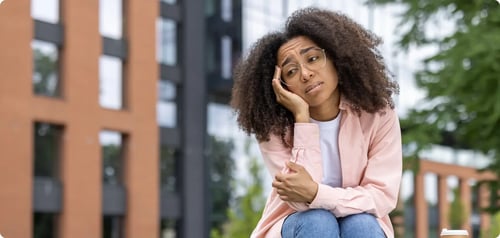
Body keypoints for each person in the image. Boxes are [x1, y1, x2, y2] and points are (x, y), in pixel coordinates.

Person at [230, 7, 402, 238]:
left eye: (313, 59)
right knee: (318, 221)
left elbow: (381, 196)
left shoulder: (377, 113)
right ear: (281, 85)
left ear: (337, 58)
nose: (305, 74)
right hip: (295, 226)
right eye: (291, 72)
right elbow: (300, 201)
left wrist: (317, 193)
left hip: (362, 224)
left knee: (361, 223)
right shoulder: (272, 127)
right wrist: (302, 119)